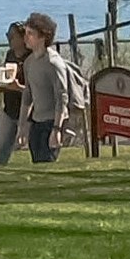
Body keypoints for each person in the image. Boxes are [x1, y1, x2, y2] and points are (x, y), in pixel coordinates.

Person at [24, 13, 78, 164]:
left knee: (47, 163)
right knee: (37, 164)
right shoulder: (29, 62)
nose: (26, 38)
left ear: (42, 37)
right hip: (36, 122)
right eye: (25, 33)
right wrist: (23, 126)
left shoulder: (54, 63)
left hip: (51, 122)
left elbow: (62, 98)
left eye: (30, 34)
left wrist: (57, 129)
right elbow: (27, 96)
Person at [0, 20, 33, 166]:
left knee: (36, 148)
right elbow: (7, 78)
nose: (9, 39)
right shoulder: (10, 55)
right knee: (1, 147)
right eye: (8, 35)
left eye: (12, 36)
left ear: (23, 37)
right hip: (10, 109)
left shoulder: (31, 58)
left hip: (30, 112)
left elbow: (38, 89)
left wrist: (19, 87)